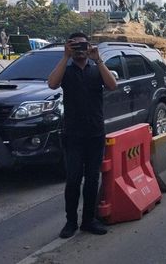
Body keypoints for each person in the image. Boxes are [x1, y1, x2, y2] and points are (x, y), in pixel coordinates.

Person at [48, 32, 118, 239]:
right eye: (75, 46)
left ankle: (88, 220)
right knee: (73, 180)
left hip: (95, 134)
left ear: (89, 46)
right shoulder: (66, 72)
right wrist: (64, 57)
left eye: (82, 45)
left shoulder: (97, 70)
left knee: (92, 180)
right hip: (73, 134)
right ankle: (71, 222)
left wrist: (98, 59)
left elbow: (112, 85)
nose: (80, 50)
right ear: (69, 47)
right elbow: (52, 84)